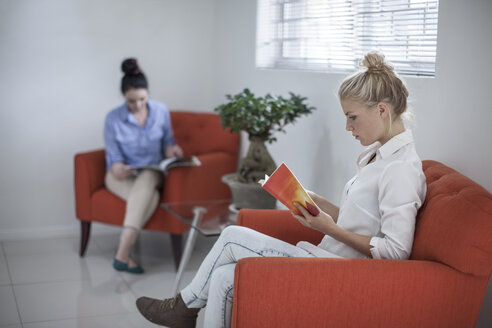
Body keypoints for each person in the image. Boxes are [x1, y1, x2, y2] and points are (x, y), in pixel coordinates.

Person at [135, 51, 427, 327]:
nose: (348, 127)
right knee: (225, 277)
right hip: (329, 258)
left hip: (343, 272)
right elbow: (362, 221)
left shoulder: (401, 168)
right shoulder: (380, 155)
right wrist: (318, 202)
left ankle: (182, 309)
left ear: (381, 110)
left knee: (231, 236)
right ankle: (184, 311)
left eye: (352, 117)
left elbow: (395, 252)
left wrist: (329, 228)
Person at [104, 58, 183, 274]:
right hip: (122, 175)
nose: (137, 105)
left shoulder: (161, 111)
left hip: (152, 172)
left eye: (141, 99)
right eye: (131, 101)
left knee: (147, 178)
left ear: (147, 93)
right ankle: (123, 256)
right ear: (124, 97)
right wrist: (117, 167)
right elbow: (113, 157)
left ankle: (122, 252)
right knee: (150, 197)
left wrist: (173, 150)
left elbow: (168, 143)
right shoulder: (113, 119)